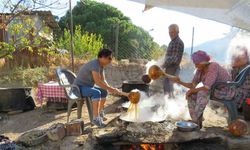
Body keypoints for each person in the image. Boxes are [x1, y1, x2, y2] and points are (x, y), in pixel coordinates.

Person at [173, 50, 231, 128]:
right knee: (191, 95)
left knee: (202, 93)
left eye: (197, 63)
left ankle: (195, 121)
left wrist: (192, 90)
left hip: (225, 90)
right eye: (195, 63)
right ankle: (196, 120)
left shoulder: (213, 66)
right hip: (213, 90)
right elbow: (193, 85)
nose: (195, 65)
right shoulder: (200, 70)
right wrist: (180, 82)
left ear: (203, 62)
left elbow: (207, 87)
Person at [74, 48, 119, 127]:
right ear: (102, 57)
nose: (110, 61)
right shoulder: (95, 65)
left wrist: (110, 88)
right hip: (78, 88)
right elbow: (98, 82)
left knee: (104, 92)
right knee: (96, 92)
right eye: (109, 58)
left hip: (87, 87)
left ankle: (100, 113)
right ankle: (95, 119)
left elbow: (103, 80)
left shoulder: (101, 66)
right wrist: (111, 89)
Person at [162, 24, 184, 98]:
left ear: (178, 32)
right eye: (169, 32)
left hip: (173, 68)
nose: (170, 34)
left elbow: (174, 58)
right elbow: (169, 56)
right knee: (167, 88)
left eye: (172, 32)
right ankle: (168, 105)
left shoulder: (177, 42)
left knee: (170, 89)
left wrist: (162, 64)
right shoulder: (173, 41)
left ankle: (171, 106)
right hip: (170, 68)